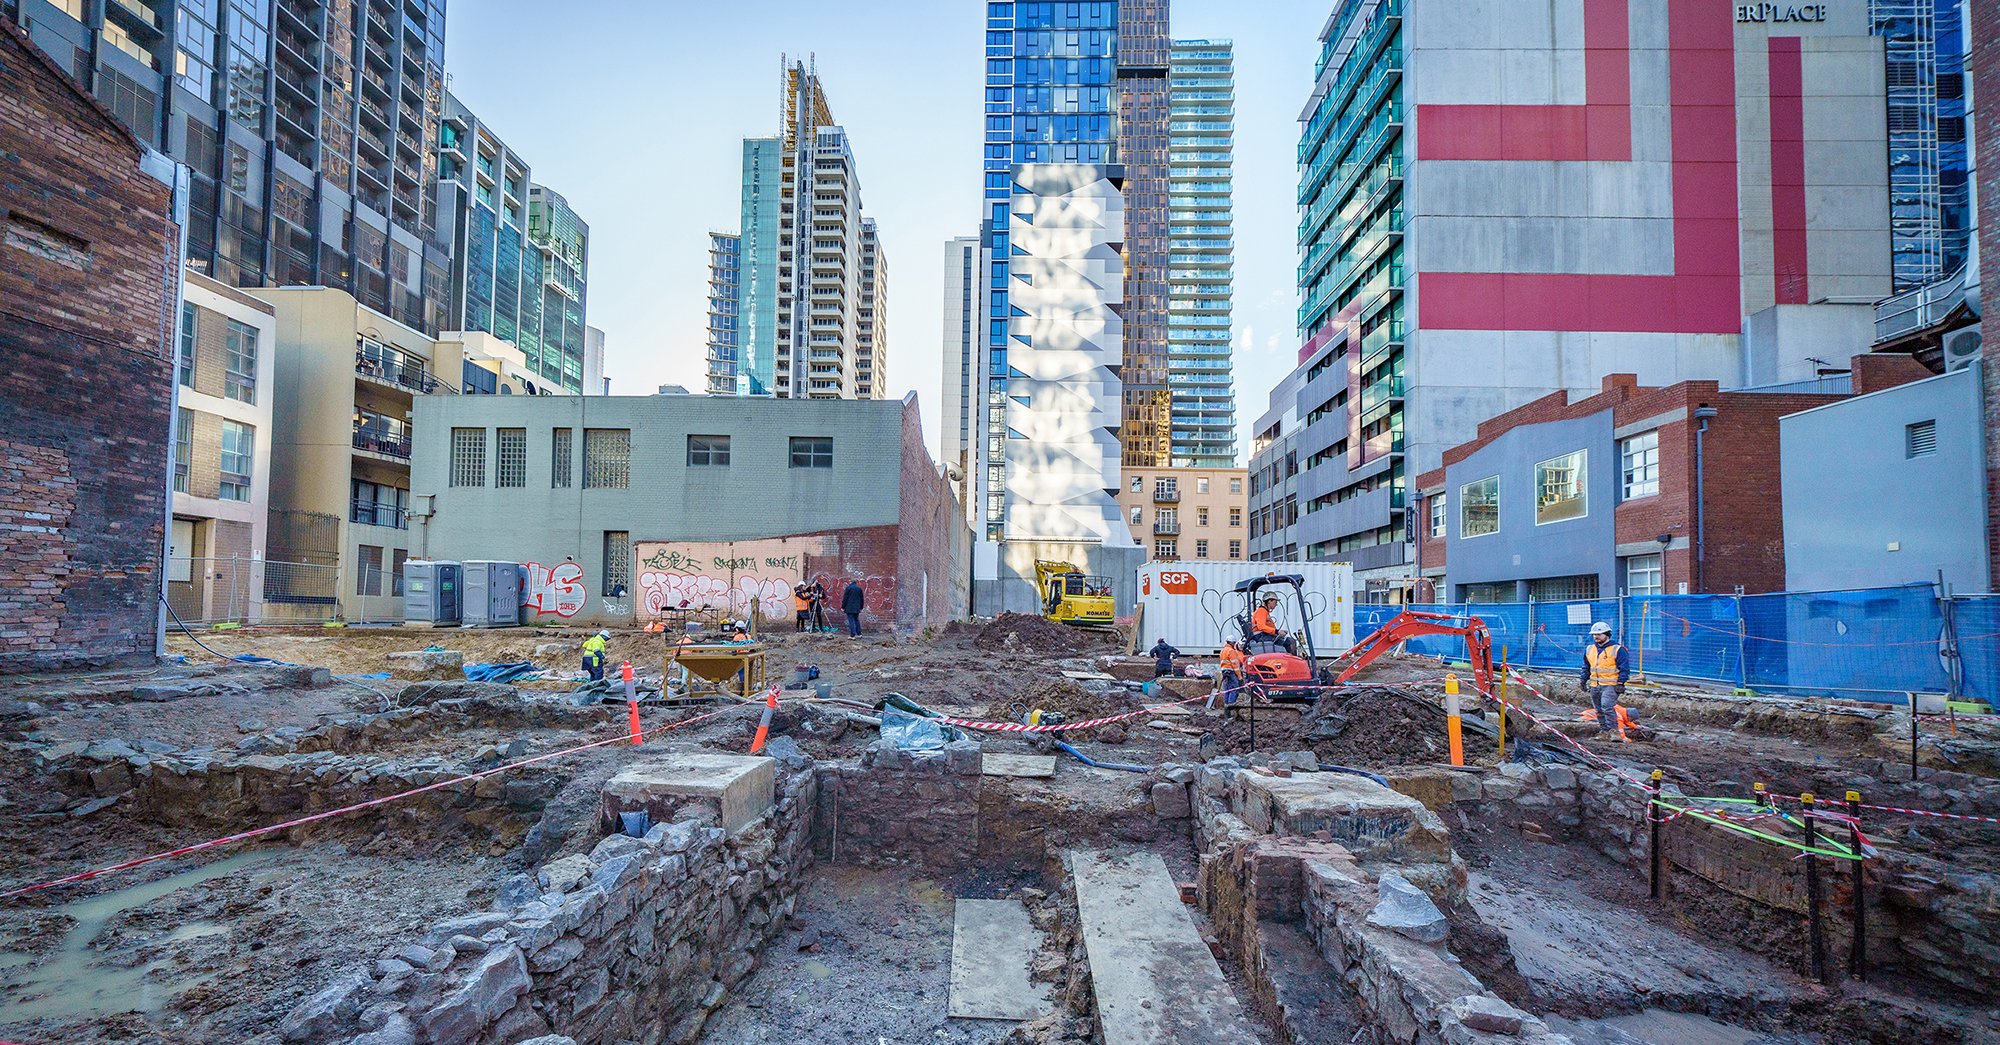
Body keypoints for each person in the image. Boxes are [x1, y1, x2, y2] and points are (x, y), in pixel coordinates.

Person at [1580, 621, 1631, 737]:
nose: (1596, 637)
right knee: (1598, 710)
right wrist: (1583, 680)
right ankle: (1605, 731)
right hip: (1594, 685)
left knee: (1607, 706)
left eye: (1599, 634)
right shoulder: (1589, 649)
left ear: (1607, 634)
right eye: (1594, 635)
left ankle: (1614, 732)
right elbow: (1587, 666)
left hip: (1610, 685)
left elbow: (1624, 668)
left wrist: (1621, 683)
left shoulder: (1618, 649)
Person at [1217, 639, 1245, 708]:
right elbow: (1235, 666)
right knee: (1235, 688)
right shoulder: (1231, 651)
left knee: (1227, 689)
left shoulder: (1223, 650)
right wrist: (1239, 677)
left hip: (1224, 671)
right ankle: (1231, 705)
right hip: (1231, 672)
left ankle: (1226, 706)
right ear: (1232, 643)